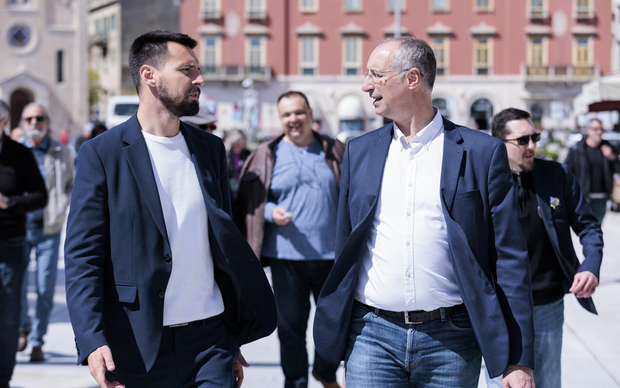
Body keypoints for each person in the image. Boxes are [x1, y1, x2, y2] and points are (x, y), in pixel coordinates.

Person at [313, 37, 535, 388]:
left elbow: (509, 258)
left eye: (376, 74)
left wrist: (520, 361)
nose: (366, 85)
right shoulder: (360, 151)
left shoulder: (481, 153)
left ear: (412, 78)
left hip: (453, 341)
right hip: (371, 336)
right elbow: (346, 248)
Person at [64, 30, 276, 388]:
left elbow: (221, 245)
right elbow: (83, 256)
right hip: (136, 343)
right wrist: (91, 338)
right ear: (150, 75)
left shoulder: (210, 149)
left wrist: (232, 338)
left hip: (211, 342)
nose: (200, 79)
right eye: (188, 70)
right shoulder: (102, 154)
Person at [485, 108, 603, 388]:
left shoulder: (556, 174)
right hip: (501, 308)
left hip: (548, 302)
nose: (532, 146)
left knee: (548, 382)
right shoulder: (484, 181)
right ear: (500, 143)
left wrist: (590, 266)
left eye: (535, 137)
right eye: (523, 140)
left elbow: (588, 226)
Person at [235, 91, 345, 388]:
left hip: (331, 258)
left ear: (310, 114)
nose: (293, 119)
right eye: (286, 115)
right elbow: (250, 200)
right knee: (290, 329)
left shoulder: (335, 150)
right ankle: (295, 383)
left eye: (298, 112)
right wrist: (270, 211)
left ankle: (325, 372)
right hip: (286, 258)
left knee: (333, 324)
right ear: (280, 119)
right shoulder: (266, 154)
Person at [18, 102, 74, 362]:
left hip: (49, 229)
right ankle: (22, 326)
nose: (34, 123)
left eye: (39, 118)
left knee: (44, 287)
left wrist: (64, 206)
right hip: (16, 229)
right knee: (13, 285)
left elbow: (72, 184)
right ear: (22, 123)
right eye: (29, 119)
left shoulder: (61, 151)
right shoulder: (15, 152)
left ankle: (38, 340)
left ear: (47, 122)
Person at [0, 99, 47, 388]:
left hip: (10, 245)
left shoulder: (19, 155)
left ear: (3, 123)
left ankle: (3, 378)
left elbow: (41, 196)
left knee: (6, 316)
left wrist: (11, 203)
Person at [565, 118, 620, 222]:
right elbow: (566, 173)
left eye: (601, 129)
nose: (599, 132)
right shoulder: (576, 150)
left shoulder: (608, 148)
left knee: (596, 229)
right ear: (588, 130)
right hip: (583, 198)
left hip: (601, 198)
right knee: (586, 230)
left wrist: (612, 157)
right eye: (596, 129)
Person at [225, 130, 250, 200]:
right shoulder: (225, 154)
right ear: (231, 141)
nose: (240, 145)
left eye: (242, 142)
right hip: (229, 189)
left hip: (244, 189)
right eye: (237, 142)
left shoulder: (247, 154)